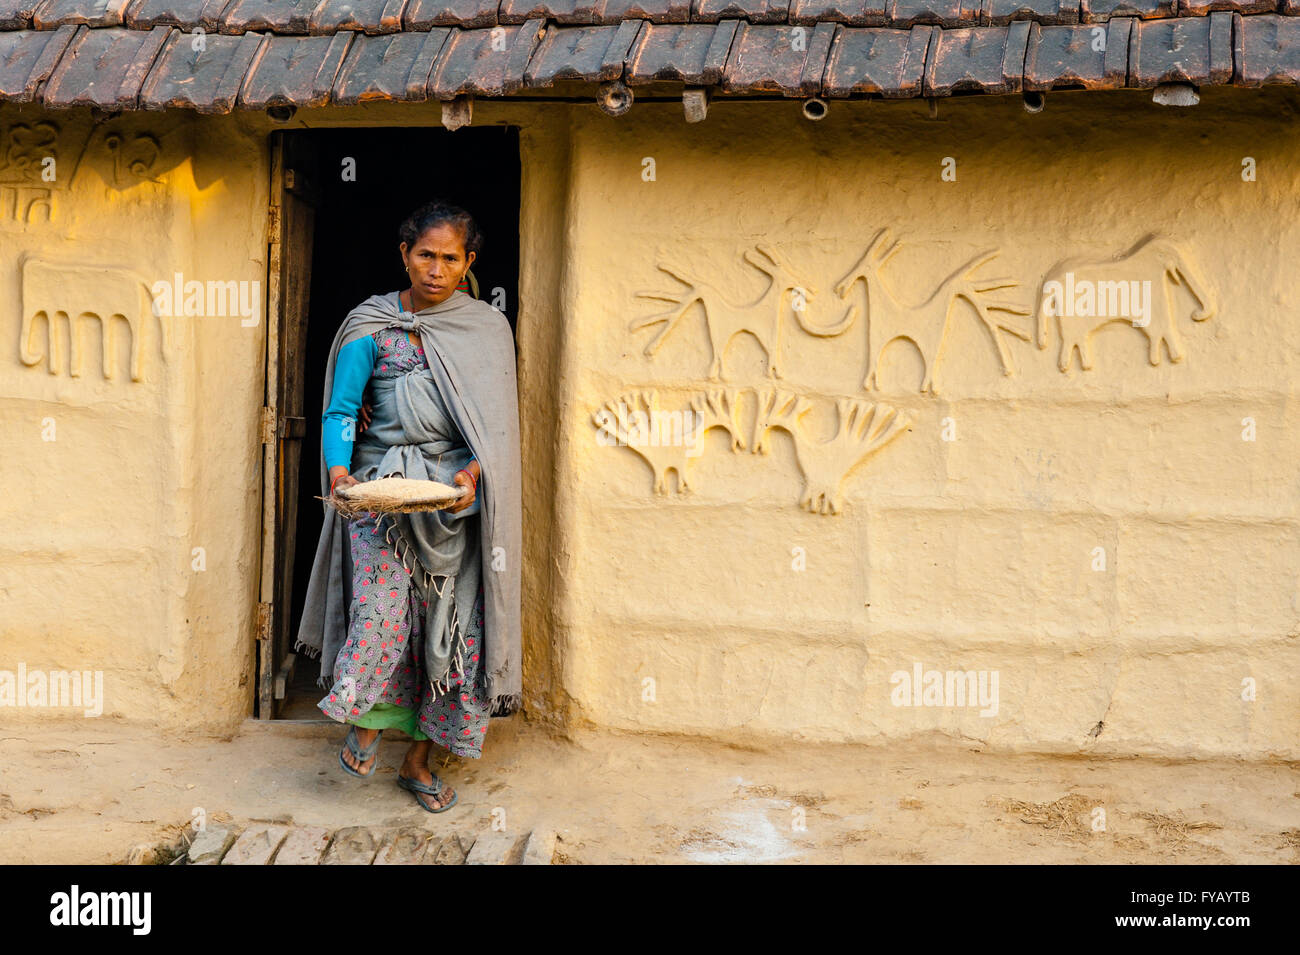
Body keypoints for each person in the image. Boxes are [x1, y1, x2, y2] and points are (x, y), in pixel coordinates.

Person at [295, 201, 523, 812]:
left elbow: (495, 428)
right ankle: (365, 719)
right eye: (426, 254)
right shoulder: (370, 325)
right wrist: (342, 475)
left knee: (452, 631)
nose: (437, 268)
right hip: (380, 493)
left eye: (452, 258)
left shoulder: (484, 330)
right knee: (382, 613)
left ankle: (420, 763)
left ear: (469, 262)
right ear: (404, 254)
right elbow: (342, 411)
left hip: (452, 504)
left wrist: (474, 475)